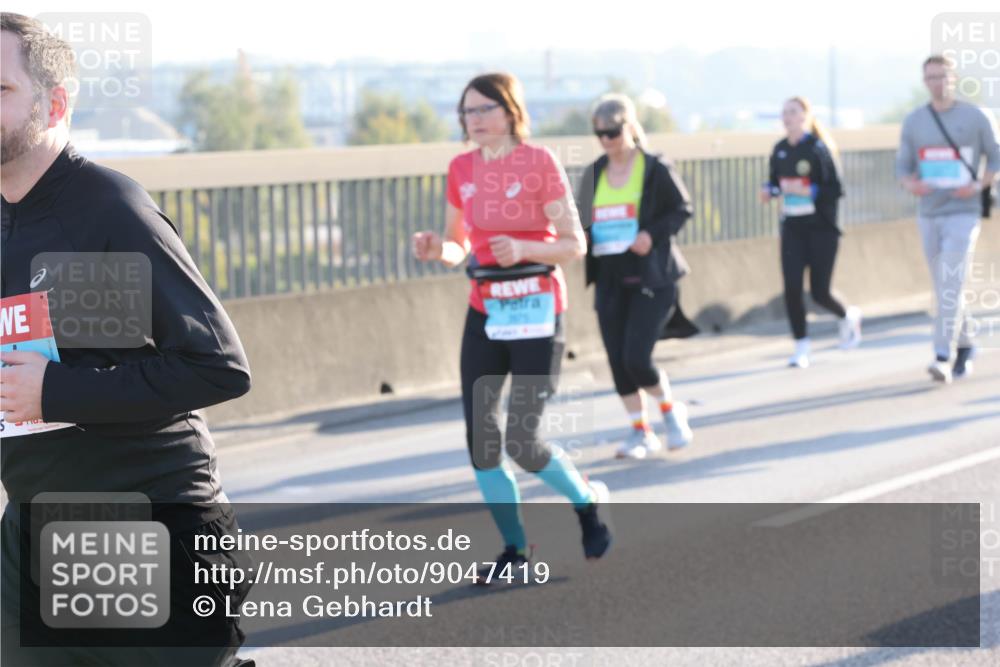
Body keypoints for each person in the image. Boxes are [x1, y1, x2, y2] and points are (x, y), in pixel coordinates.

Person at [1, 14, 255, 666]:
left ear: (53, 103)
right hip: (32, 533)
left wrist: (55, 391)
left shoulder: (110, 208)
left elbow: (216, 366)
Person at [411, 72, 612, 581]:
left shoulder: (539, 162)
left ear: (510, 111)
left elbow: (573, 243)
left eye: (483, 110)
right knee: (482, 441)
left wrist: (523, 248)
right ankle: (515, 549)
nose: (473, 120)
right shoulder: (461, 168)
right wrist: (439, 250)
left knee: (522, 440)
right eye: (466, 112)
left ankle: (586, 502)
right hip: (486, 313)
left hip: (538, 314)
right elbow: (460, 246)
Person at [575, 94, 696, 460]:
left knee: (637, 358)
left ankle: (671, 412)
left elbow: (682, 209)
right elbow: (582, 222)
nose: (606, 140)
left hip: (651, 277)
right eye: (600, 134)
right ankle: (640, 432)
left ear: (629, 127)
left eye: (612, 132)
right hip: (610, 277)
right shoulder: (594, 172)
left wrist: (651, 235)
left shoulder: (655, 168)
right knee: (617, 362)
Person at [896, 55, 1000, 383]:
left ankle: (943, 355)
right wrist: (912, 184)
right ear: (924, 81)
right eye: (931, 77)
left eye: (942, 76)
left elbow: (996, 156)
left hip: (963, 212)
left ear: (953, 79)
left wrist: (979, 184)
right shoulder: (915, 121)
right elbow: (902, 166)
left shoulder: (974, 116)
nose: (937, 82)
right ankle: (967, 343)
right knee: (945, 284)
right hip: (929, 211)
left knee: (950, 280)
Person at [760, 96, 862, 369]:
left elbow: (836, 189)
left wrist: (810, 191)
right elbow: (774, 183)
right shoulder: (780, 149)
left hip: (821, 229)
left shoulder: (818, 148)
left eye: (793, 112)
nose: (787, 117)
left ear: (805, 116)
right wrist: (768, 191)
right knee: (792, 288)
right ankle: (801, 346)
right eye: (784, 113)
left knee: (820, 292)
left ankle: (847, 316)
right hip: (792, 227)